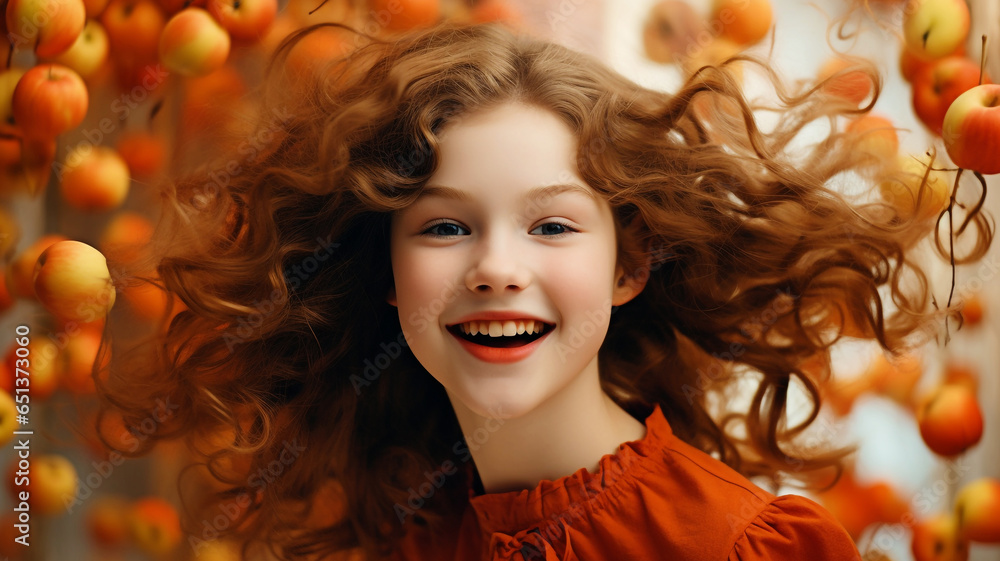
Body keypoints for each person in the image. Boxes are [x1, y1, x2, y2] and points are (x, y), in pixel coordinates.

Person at [97, 21, 991, 561]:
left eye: (552, 225)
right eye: (444, 226)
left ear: (630, 264)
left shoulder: (744, 549)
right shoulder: (403, 534)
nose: (496, 265)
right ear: (386, 274)